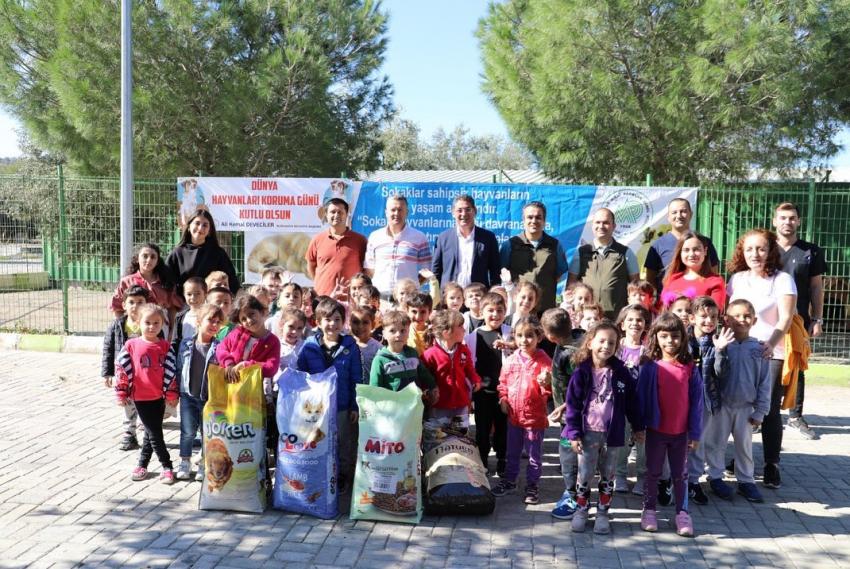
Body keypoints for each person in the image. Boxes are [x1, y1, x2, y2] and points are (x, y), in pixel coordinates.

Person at [727, 229, 797, 489]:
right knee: (739, 407)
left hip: (770, 353)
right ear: (741, 253)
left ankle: (771, 464)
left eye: (760, 249)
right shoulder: (737, 280)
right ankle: (741, 459)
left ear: (770, 251)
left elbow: (786, 318)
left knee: (767, 409)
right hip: (739, 353)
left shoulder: (783, 280)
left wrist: (771, 343)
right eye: (749, 249)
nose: (754, 254)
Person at [564, 321, 642, 533]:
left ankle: (602, 513)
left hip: (612, 435)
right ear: (590, 343)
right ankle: (581, 510)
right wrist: (573, 434)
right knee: (585, 474)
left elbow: (632, 402)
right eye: (602, 341)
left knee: (608, 476)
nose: (606, 346)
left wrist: (638, 427)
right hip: (587, 434)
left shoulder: (622, 372)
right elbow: (572, 405)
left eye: (611, 343)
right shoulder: (581, 372)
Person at [636, 313, 704, 538]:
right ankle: (649, 510)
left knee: (680, 474)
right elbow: (641, 398)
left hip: (681, 434)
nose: (670, 341)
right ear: (655, 337)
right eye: (664, 336)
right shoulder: (649, 366)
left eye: (675, 336)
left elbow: (697, 403)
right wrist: (639, 427)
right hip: (656, 431)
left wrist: (695, 433)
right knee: (653, 472)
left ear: (682, 338)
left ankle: (682, 513)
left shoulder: (690, 367)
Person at [704, 299, 772, 502]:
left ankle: (746, 481)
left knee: (744, 446)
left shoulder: (760, 349)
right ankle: (715, 477)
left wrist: (761, 411)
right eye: (736, 316)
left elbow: (765, 382)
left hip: (746, 408)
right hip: (722, 406)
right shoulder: (721, 344)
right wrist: (720, 350)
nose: (742, 319)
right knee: (716, 443)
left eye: (747, 316)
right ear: (726, 320)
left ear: (755, 320)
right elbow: (713, 373)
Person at [773, 202, 827, 440]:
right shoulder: (765, 248)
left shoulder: (810, 251)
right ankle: (761, 415)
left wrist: (817, 318)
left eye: (792, 218)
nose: (788, 222)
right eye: (783, 217)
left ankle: (795, 416)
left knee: (796, 364)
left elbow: (816, 287)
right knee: (764, 365)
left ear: (799, 221)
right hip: (768, 319)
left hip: (797, 320)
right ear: (775, 221)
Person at [296, 298, 362, 491]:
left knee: (343, 443)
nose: (332, 324)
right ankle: (319, 475)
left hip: (342, 405)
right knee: (318, 441)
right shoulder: (309, 347)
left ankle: (342, 478)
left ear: (343, 322)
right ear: (318, 322)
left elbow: (356, 378)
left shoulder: (351, 346)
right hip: (316, 408)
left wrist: (354, 406)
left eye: (337, 319)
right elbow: (301, 376)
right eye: (327, 319)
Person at [492, 316, 553, 505]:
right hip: (514, 417)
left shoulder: (544, 361)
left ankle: (532, 485)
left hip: (534, 418)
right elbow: (502, 383)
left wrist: (546, 383)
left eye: (529, 335)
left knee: (534, 455)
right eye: (519, 335)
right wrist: (503, 398)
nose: (524, 340)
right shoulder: (511, 360)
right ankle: (510, 481)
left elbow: (549, 388)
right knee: (512, 452)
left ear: (538, 337)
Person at [115, 304, 178, 484]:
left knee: (151, 433)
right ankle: (167, 467)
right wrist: (121, 392)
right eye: (147, 322)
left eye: (156, 323)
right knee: (155, 434)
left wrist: (172, 394)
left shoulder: (165, 346)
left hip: (159, 397)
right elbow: (121, 369)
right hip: (140, 397)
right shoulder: (131, 345)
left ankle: (142, 465)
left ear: (163, 323)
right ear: (138, 322)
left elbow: (172, 371)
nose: (152, 326)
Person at [173, 304, 223, 482]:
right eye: (211, 320)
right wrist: (176, 393)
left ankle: (204, 463)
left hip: (208, 398)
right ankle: (184, 462)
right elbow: (179, 368)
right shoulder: (186, 344)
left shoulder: (219, 347)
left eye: (218, 322)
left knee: (207, 433)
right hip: (187, 395)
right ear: (199, 321)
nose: (214, 325)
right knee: (187, 432)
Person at [465, 293, 512, 476]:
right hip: (482, 392)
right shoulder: (473, 336)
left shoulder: (509, 332)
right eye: (490, 310)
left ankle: (502, 459)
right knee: (482, 429)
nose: (495, 314)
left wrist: (510, 344)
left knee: (502, 429)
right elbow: (469, 365)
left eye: (499, 310)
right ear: (481, 312)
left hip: (503, 391)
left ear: (505, 312)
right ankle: (482, 459)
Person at [102, 285, 150, 451]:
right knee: (127, 403)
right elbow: (108, 349)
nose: (135, 306)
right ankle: (130, 434)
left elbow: (160, 347)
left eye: (140, 302)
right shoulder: (117, 325)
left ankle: (149, 435)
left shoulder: (151, 324)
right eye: (131, 302)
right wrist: (107, 373)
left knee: (145, 402)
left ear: (147, 304)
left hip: (145, 373)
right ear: (124, 305)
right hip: (124, 374)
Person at [568, 208, 639, 319]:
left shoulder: (626, 253)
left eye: (606, 223)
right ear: (592, 226)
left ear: (614, 226)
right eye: (598, 222)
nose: (601, 226)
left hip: (615, 318)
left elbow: (636, 287)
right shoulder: (581, 253)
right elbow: (571, 285)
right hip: (588, 318)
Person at [685, 296, 723, 506]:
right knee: (678, 440)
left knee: (697, 441)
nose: (709, 321)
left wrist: (720, 351)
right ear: (692, 318)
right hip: (683, 400)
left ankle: (693, 480)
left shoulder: (717, 341)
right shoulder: (682, 340)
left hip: (706, 401)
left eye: (713, 317)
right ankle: (670, 478)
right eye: (703, 316)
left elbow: (720, 372)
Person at [500, 201, 568, 312]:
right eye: (530, 217)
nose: (534, 221)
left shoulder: (555, 245)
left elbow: (560, 273)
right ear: (523, 220)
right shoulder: (510, 245)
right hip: (519, 308)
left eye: (538, 217)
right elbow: (503, 273)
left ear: (544, 221)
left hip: (545, 308)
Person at [644, 198, 720, 295]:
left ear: (691, 214)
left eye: (683, 211)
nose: (679, 216)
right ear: (668, 217)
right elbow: (650, 281)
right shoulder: (657, 246)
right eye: (674, 212)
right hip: (668, 302)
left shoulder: (705, 243)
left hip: (699, 301)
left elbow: (714, 273)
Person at [364, 195, 432, 301]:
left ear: (407, 212)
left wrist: (412, 287)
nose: (396, 213)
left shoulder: (419, 238)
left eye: (400, 210)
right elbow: (369, 270)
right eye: (393, 210)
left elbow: (426, 271)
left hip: (408, 300)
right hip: (381, 299)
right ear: (386, 212)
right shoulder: (375, 237)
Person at [422, 309, 482, 428]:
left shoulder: (463, 350)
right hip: (439, 406)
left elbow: (469, 368)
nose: (464, 330)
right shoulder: (430, 354)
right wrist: (429, 392)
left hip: (461, 403)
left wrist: (475, 379)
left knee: (459, 435)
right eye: (460, 326)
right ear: (446, 333)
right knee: (439, 435)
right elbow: (423, 378)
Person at [614, 304, 651, 495]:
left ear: (645, 324)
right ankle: (619, 475)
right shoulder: (616, 347)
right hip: (620, 404)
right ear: (622, 324)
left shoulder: (648, 351)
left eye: (639, 320)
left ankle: (642, 477)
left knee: (642, 442)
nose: (635, 323)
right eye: (630, 319)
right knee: (620, 440)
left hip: (641, 404)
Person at [166, 209, 239, 299]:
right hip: (184, 303)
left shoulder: (217, 253)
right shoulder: (177, 253)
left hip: (210, 303)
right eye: (197, 223)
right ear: (188, 226)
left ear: (209, 230)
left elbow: (231, 278)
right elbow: (167, 281)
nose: (200, 228)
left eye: (205, 225)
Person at [432, 195, 501, 289]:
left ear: (475, 211)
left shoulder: (488, 238)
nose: (464, 214)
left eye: (468, 209)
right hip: (450, 296)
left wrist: (494, 292)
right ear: (453, 213)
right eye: (459, 210)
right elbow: (436, 271)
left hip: (478, 295)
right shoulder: (443, 238)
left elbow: (495, 271)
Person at [109, 243, 181, 331]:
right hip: (134, 327)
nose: (149, 260)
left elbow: (172, 308)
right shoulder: (126, 282)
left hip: (159, 327)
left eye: (153, 257)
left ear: (157, 261)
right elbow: (117, 308)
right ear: (137, 258)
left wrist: (171, 331)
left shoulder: (166, 282)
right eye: (145, 256)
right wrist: (120, 329)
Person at [306, 198, 368, 297]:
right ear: (326, 215)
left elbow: (366, 270)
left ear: (347, 215)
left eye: (340, 212)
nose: (336, 215)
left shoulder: (360, 240)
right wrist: (322, 283)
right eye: (333, 212)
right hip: (323, 298)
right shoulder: (317, 240)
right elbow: (311, 266)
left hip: (350, 299)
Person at [369, 310, 438, 398]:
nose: (398, 335)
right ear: (384, 334)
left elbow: (423, 373)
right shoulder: (380, 360)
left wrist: (433, 386)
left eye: (403, 331)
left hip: (415, 402)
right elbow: (375, 386)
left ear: (408, 333)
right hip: (394, 404)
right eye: (392, 331)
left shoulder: (412, 354)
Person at [660, 232, 727, 309]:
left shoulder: (715, 282)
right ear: (680, 253)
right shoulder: (671, 280)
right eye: (686, 250)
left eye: (696, 249)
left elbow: (714, 313)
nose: (691, 254)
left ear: (705, 251)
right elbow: (663, 311)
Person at [349, 305, 382, 384]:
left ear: (373, 325)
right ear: (350, 324)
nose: (360, 326)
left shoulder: (378, 349)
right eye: (356, 322)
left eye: (365, 322)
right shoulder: (345, 345)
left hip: (369, 390)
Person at [172, 277, 207, 346]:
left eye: (197, 293)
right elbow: (176, 340)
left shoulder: (210, 315)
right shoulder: (180, 317)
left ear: (205, 294)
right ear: (184, 295)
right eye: (189, 294)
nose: (193, 297)